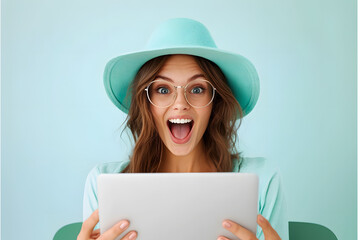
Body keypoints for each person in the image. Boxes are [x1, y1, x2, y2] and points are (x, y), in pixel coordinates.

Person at [77, 18, 289, 240]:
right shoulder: (102, 184)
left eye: (197, 89)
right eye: (162, 89)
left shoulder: (263, 181)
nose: (180, 103)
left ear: (215, 102)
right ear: (146, 103)